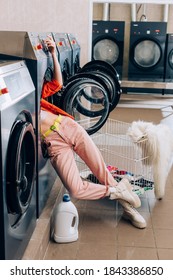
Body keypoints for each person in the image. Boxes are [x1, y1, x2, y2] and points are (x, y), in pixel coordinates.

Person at [40, 36, 146, 229]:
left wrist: (54, 54)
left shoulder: (29, 92)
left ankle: (129, 211)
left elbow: (57, 83)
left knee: (101, 171)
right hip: (54, 144)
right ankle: (118, 191)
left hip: (67, 127)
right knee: (75, 189)